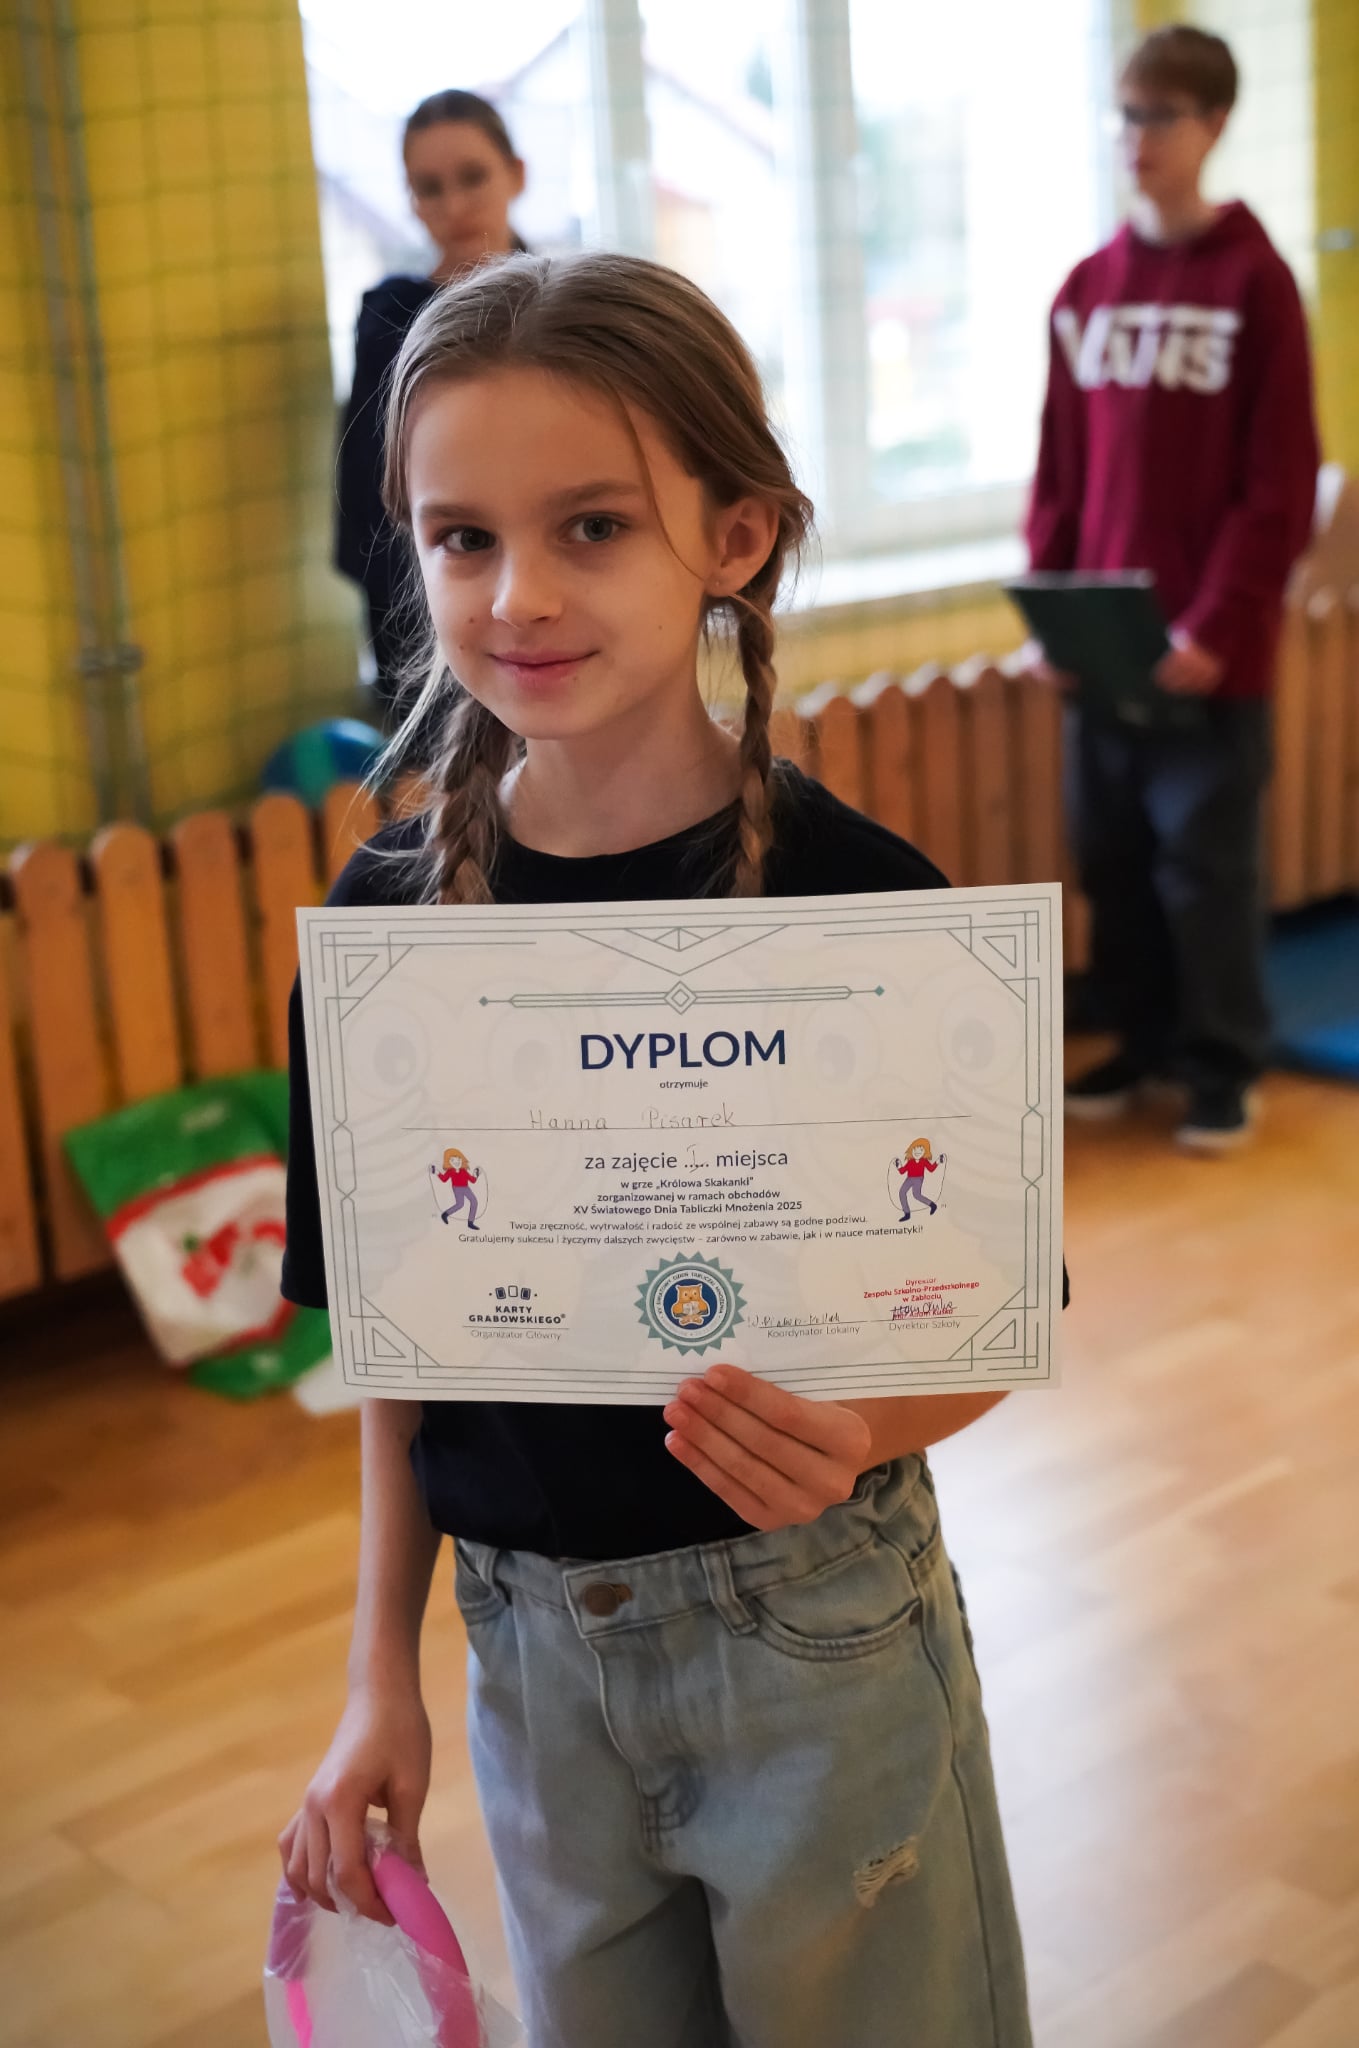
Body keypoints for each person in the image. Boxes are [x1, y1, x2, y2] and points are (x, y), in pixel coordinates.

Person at [279, 251, 1035, 2047]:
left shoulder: (863, 905)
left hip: (823, 1640)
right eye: (461, 537)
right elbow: (400, 1346)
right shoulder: (385, 928)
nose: (518, 594)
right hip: (532, 1673)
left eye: (593, 526)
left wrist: (863, 1427)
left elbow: (983, 1324)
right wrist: (379, 1673)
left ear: (733, 536)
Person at [1025, 25, 1319, 1151]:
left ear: (1214, 126)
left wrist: (1218, 623)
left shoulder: (1256, 285)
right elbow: (1059, 472)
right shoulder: (1085, 289)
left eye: (1159, 116)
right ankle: (1141, 1042)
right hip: (1100, 645)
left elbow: (1277, 485)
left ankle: (1220, 1063)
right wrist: (1050, 609)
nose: (1134, 138)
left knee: (1206, 867)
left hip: (1207, 656)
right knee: (1113, 860)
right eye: (1125, 114)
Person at [335, 90, 527, 718]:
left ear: (516, 174)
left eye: (472, 177)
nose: (454, 205)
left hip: (549, 584)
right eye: (429, 187)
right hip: (423, 599)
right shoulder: (389, 318)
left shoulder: (569, 307)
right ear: (411, 199)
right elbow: (367, 486)